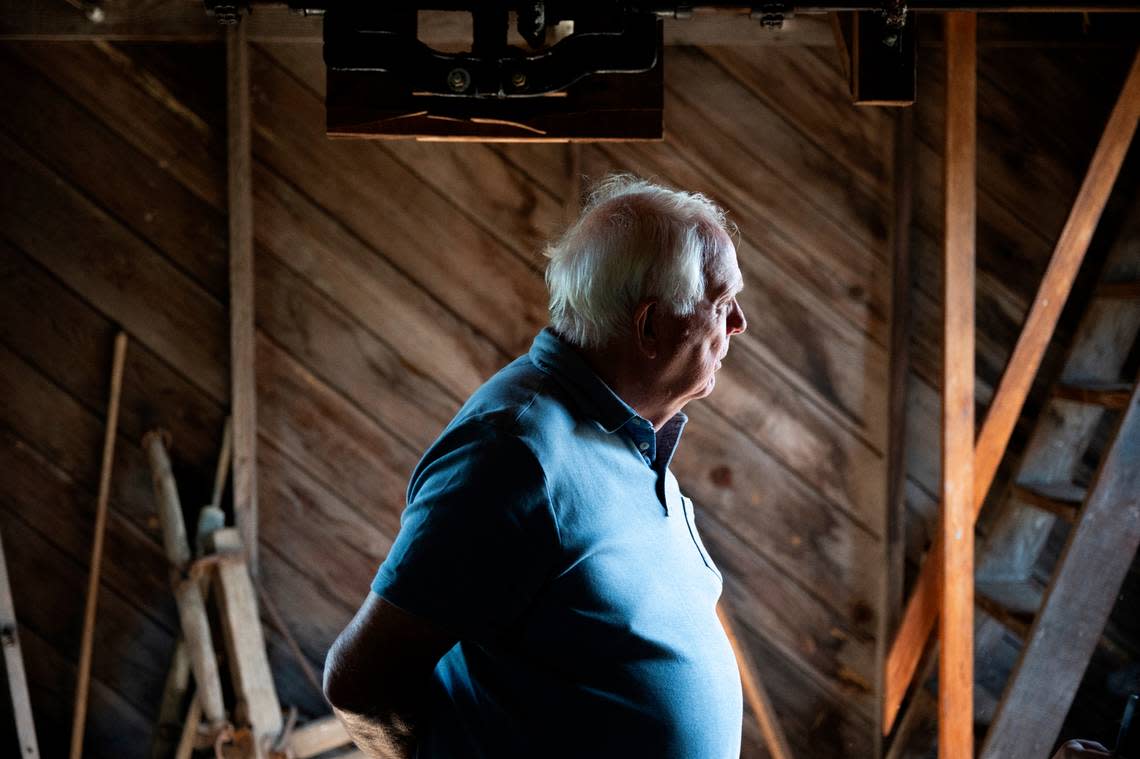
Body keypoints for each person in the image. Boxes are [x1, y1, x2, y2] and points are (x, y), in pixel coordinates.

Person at [323, 174, 748, 758]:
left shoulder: (627, 431)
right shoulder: (514, 454)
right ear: (649, 325)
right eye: (721, 303)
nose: (738, 325)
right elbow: (361, 682)